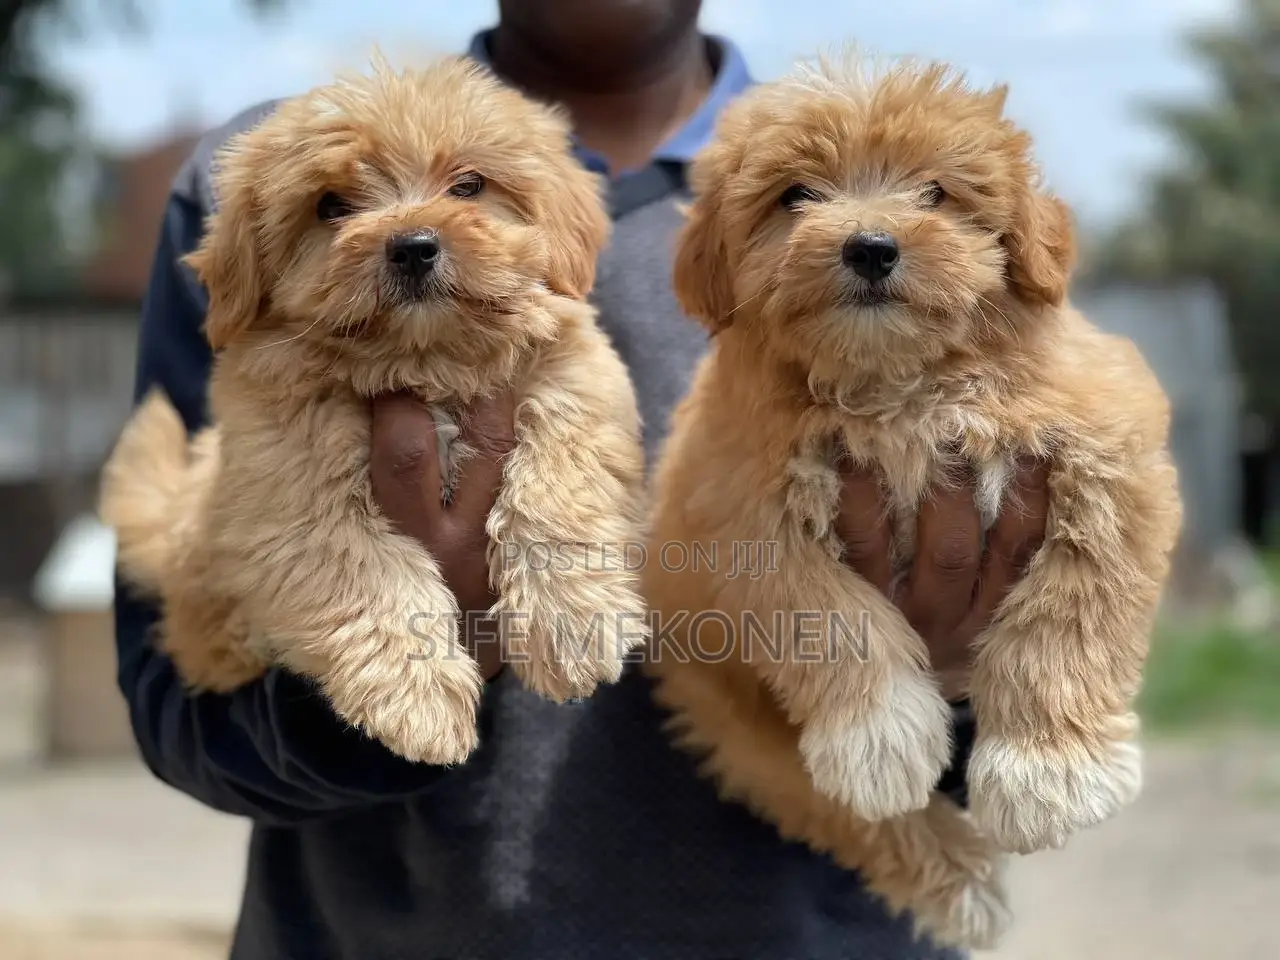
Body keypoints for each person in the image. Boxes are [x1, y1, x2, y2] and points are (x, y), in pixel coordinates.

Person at [115, 1, 1049, 957]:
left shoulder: (931, 176)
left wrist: (960, 684)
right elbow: (179, 706)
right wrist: (391, 653)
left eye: (469, 186)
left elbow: (1037, 669)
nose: (410, 230)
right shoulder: (242, 173)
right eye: (336, 207)